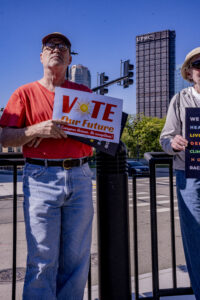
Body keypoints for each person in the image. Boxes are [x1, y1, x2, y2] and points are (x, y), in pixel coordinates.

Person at [0, 32, 94, 300]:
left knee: (77, 259)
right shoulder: (24, 93)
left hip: (81, 175)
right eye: (50, 46)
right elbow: (5, 137)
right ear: (40, 56)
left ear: (69, 57)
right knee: (42, 259)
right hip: (41, 177)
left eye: (63, 46)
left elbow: (101, 135)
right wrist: (34, 130)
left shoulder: (84, 94)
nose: (57, 49)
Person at [160, 47, 200, 299]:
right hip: (190, 175)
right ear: (189, 72)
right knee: (196, 239)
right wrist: (172, 143)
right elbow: (165, 137)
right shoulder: (180, 99)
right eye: (198, 65)